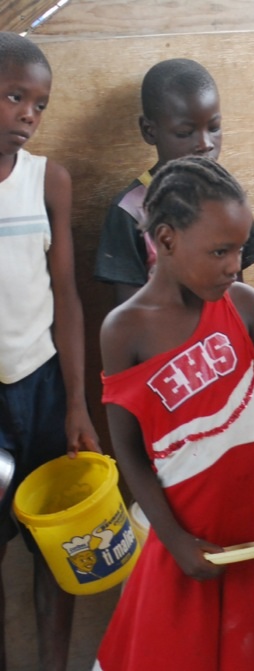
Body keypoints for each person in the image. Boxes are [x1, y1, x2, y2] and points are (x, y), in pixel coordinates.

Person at [95, 156, 254, 671]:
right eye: (219, 251)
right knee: (174, 649)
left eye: (239, 248)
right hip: (186, 535)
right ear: (166, 240)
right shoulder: (125, 331)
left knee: (252, 648)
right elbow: (128, 450)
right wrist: (174, 540)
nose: (234, 264)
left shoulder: (244, 306)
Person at [0, 32, 101, 671]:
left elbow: (66, 297)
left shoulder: (47, 182)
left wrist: (76, 404)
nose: (29, 114)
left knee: (57, 544)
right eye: (14, 97)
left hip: (41, 388)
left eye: (40, 104)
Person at [94, 58, 254, 306]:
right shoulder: (130, 211)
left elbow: (237, 296)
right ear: (150, 131)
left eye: (214, 128)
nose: (205, 144)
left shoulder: (230, 201)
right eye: (185, 133)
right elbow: (129, 312)